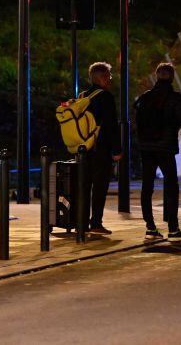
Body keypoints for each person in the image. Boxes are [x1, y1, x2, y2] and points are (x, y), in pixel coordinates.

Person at [134, 63, 181, 240]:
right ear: (172, 77)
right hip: (165, 147)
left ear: (156, 76)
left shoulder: (145, 97)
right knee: (171, 186)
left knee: (147, 187)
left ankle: (150, 227)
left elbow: (138, 123)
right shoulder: (174, 98)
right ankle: (173, 228)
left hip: (146, 148)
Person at [81, 62, 122, 235]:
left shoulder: (82, 96)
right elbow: (111, 126)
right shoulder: (105, 97)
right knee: (99, 188)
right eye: (109, 77)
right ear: (103, 78)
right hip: (100, 149)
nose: (110, 80)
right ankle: (96, 223)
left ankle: (81, 223)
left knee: (84, 187)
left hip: (83, 150)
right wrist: (117, 150)